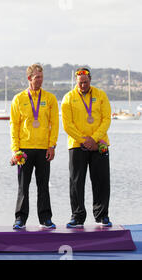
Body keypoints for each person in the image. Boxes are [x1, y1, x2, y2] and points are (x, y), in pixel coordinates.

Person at [61, 67, 112, 228]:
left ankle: (102, 215)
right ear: (76, 82)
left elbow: (106, 119)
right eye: (80, 83)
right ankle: (77, 216)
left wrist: (94, 139)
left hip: (99, 144)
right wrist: (84, 140)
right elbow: (67, 125)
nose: (82, 85)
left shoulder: (100, 95)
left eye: (85, 82)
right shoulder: (68, 98)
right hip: (77, 145)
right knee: (76, 182)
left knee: (101, 181)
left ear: (90, 80)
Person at [9, 64, 59, 229]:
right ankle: (20, 219)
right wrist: (16, 150)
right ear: (29, 78)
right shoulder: (19, 99)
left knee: (43, 185)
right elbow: (13, 126)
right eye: (37, 77)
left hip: (44, 148)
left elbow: (55, 124)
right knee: (23, 186)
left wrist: (52, 146)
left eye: (42, 77)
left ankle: (45, 218)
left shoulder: (50, 98)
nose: (40, 80)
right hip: (24, 149)